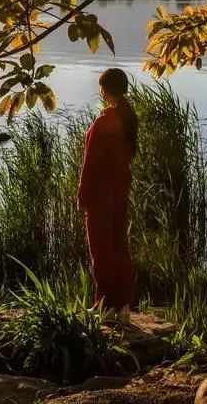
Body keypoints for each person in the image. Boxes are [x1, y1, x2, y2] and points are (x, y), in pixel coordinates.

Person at [77, 68, 138, 323]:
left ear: (107, 90)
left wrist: (82, 194)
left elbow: (91, 162)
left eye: (102, 87)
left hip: (101, 194)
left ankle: (103, 304)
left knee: (100, 250)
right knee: (118, 247)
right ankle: (121, 305)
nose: (100, 91)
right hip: (119, 192)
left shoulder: (104, 122)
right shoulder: (128, 118)